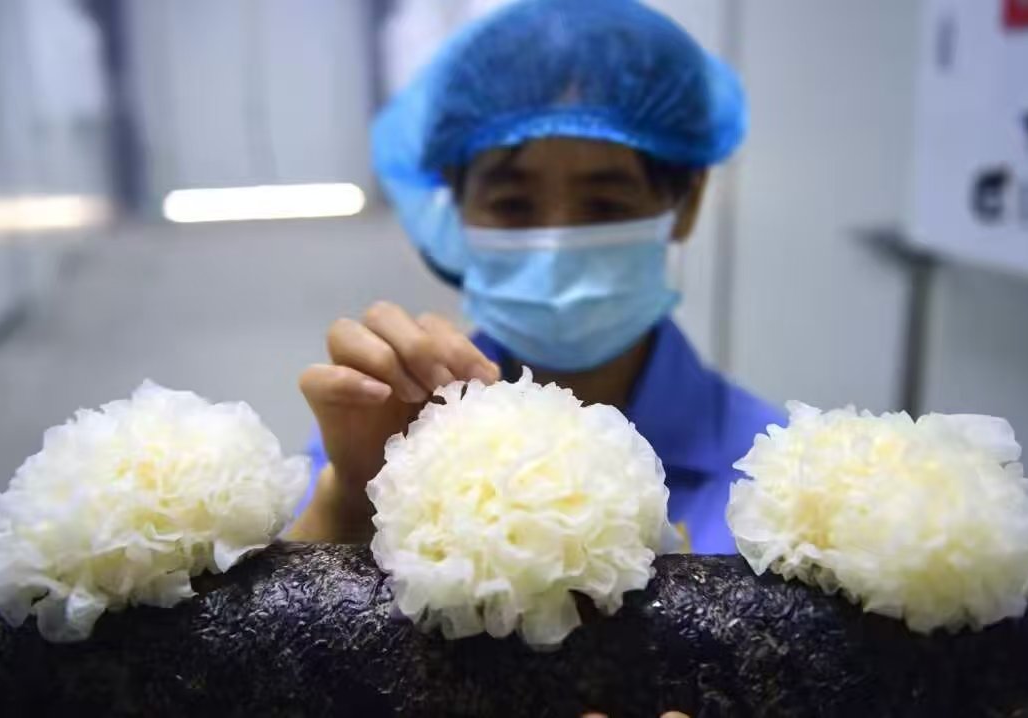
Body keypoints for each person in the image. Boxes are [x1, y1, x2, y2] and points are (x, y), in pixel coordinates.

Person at [288, 0, 784, 554]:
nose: (555, 242)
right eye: (512, 203)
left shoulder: (776, 484)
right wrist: (352, 502)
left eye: (606, 205)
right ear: (456, 202)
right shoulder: (385, 430)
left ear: (687, 202)